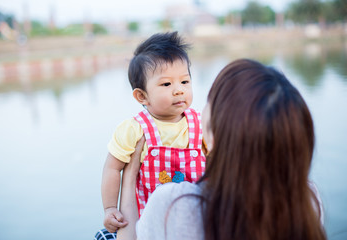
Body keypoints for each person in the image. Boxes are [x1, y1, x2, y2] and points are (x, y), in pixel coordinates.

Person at [119, 58, 327, 240]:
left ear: (215, 135)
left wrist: (129, 179)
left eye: (211, 101)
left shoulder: (177, 205)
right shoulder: (306, 198)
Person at [97, 31, 206, 239]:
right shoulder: (134, 129)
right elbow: (112, 167)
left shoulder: (201, 124)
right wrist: (110, 208)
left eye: (185, 82)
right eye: (166, 84)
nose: (178, 90)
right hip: (147, 221)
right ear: (142, 96)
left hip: (194, 220)